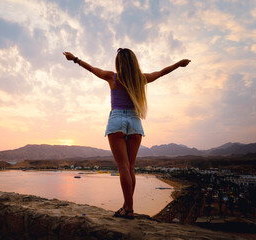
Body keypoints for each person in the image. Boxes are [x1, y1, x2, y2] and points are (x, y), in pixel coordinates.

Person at [63, 48, 190, 219]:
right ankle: (127, 206)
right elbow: (161, 72)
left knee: (123, 167)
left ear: (119, 63)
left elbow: (91, 69)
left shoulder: (112, 77)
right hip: (135, 121)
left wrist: (74, 59)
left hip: (116, 120)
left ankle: (128, 209)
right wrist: (179, 64)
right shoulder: (141, 79)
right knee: (130, 167)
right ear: (133, 62)